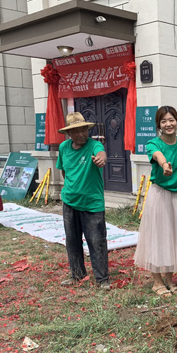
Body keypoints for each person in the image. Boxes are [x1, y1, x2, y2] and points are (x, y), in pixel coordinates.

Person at [134, 106, 177, 296]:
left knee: (173, 236)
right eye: (164, 121)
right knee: (157, 236)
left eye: (171, 120)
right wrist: (165, 164)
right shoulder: (153, 143)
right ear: (159, 125)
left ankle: (169, 278)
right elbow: (158, 156)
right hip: (159, 195)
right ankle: (156, 281)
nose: (168, 124)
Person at [56, 112, 110, 290]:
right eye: (76, 131)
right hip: (70, 201)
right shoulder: (64, 148)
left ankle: (102, 279)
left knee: (96, 241)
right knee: (72, 240)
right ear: (69, 134)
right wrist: (71, 188)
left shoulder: (95, 145)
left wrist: (101, 159)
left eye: (83, 130)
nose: (81, 134)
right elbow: (64, 171)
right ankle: (77, 274)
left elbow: (101, 154)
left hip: (92, 202)